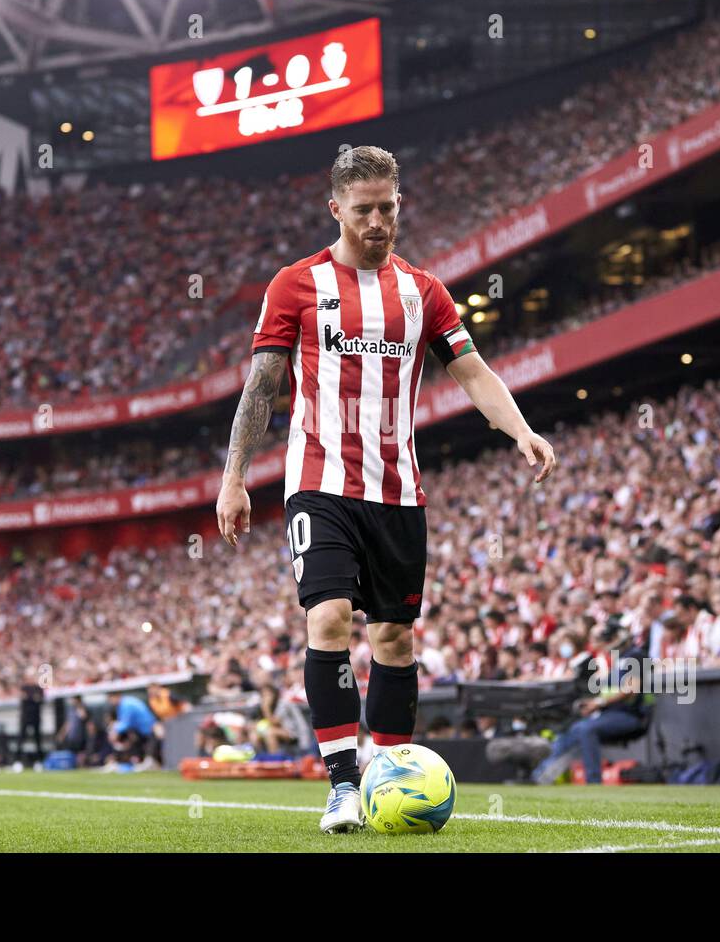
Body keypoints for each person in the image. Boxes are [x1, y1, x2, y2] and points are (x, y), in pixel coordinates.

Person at [215, 145, 557, 834]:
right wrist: (235, 479)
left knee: (396, 639)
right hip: (319, 483)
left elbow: (472, 371)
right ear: (335, 208)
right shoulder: (296, 284)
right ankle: (344, 786)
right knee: (330, 620)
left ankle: (391, 773)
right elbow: (262, 387)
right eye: (364, 209)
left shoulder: (423, 291)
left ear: (399, 204)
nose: (377, 221)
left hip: (397, 491)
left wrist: (519, 429)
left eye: (388, 208)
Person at [530, 622, 650, 785]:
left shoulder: (635, 656)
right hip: (610, 713)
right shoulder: (616, 660)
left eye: (602, 639)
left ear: (616, 638)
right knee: (572, 729)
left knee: (586, 729)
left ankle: (593, 781)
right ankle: (541, 775)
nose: (599, 644)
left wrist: (598, 703)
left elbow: (631, 689)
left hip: (630, 714)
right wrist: (594, 704)